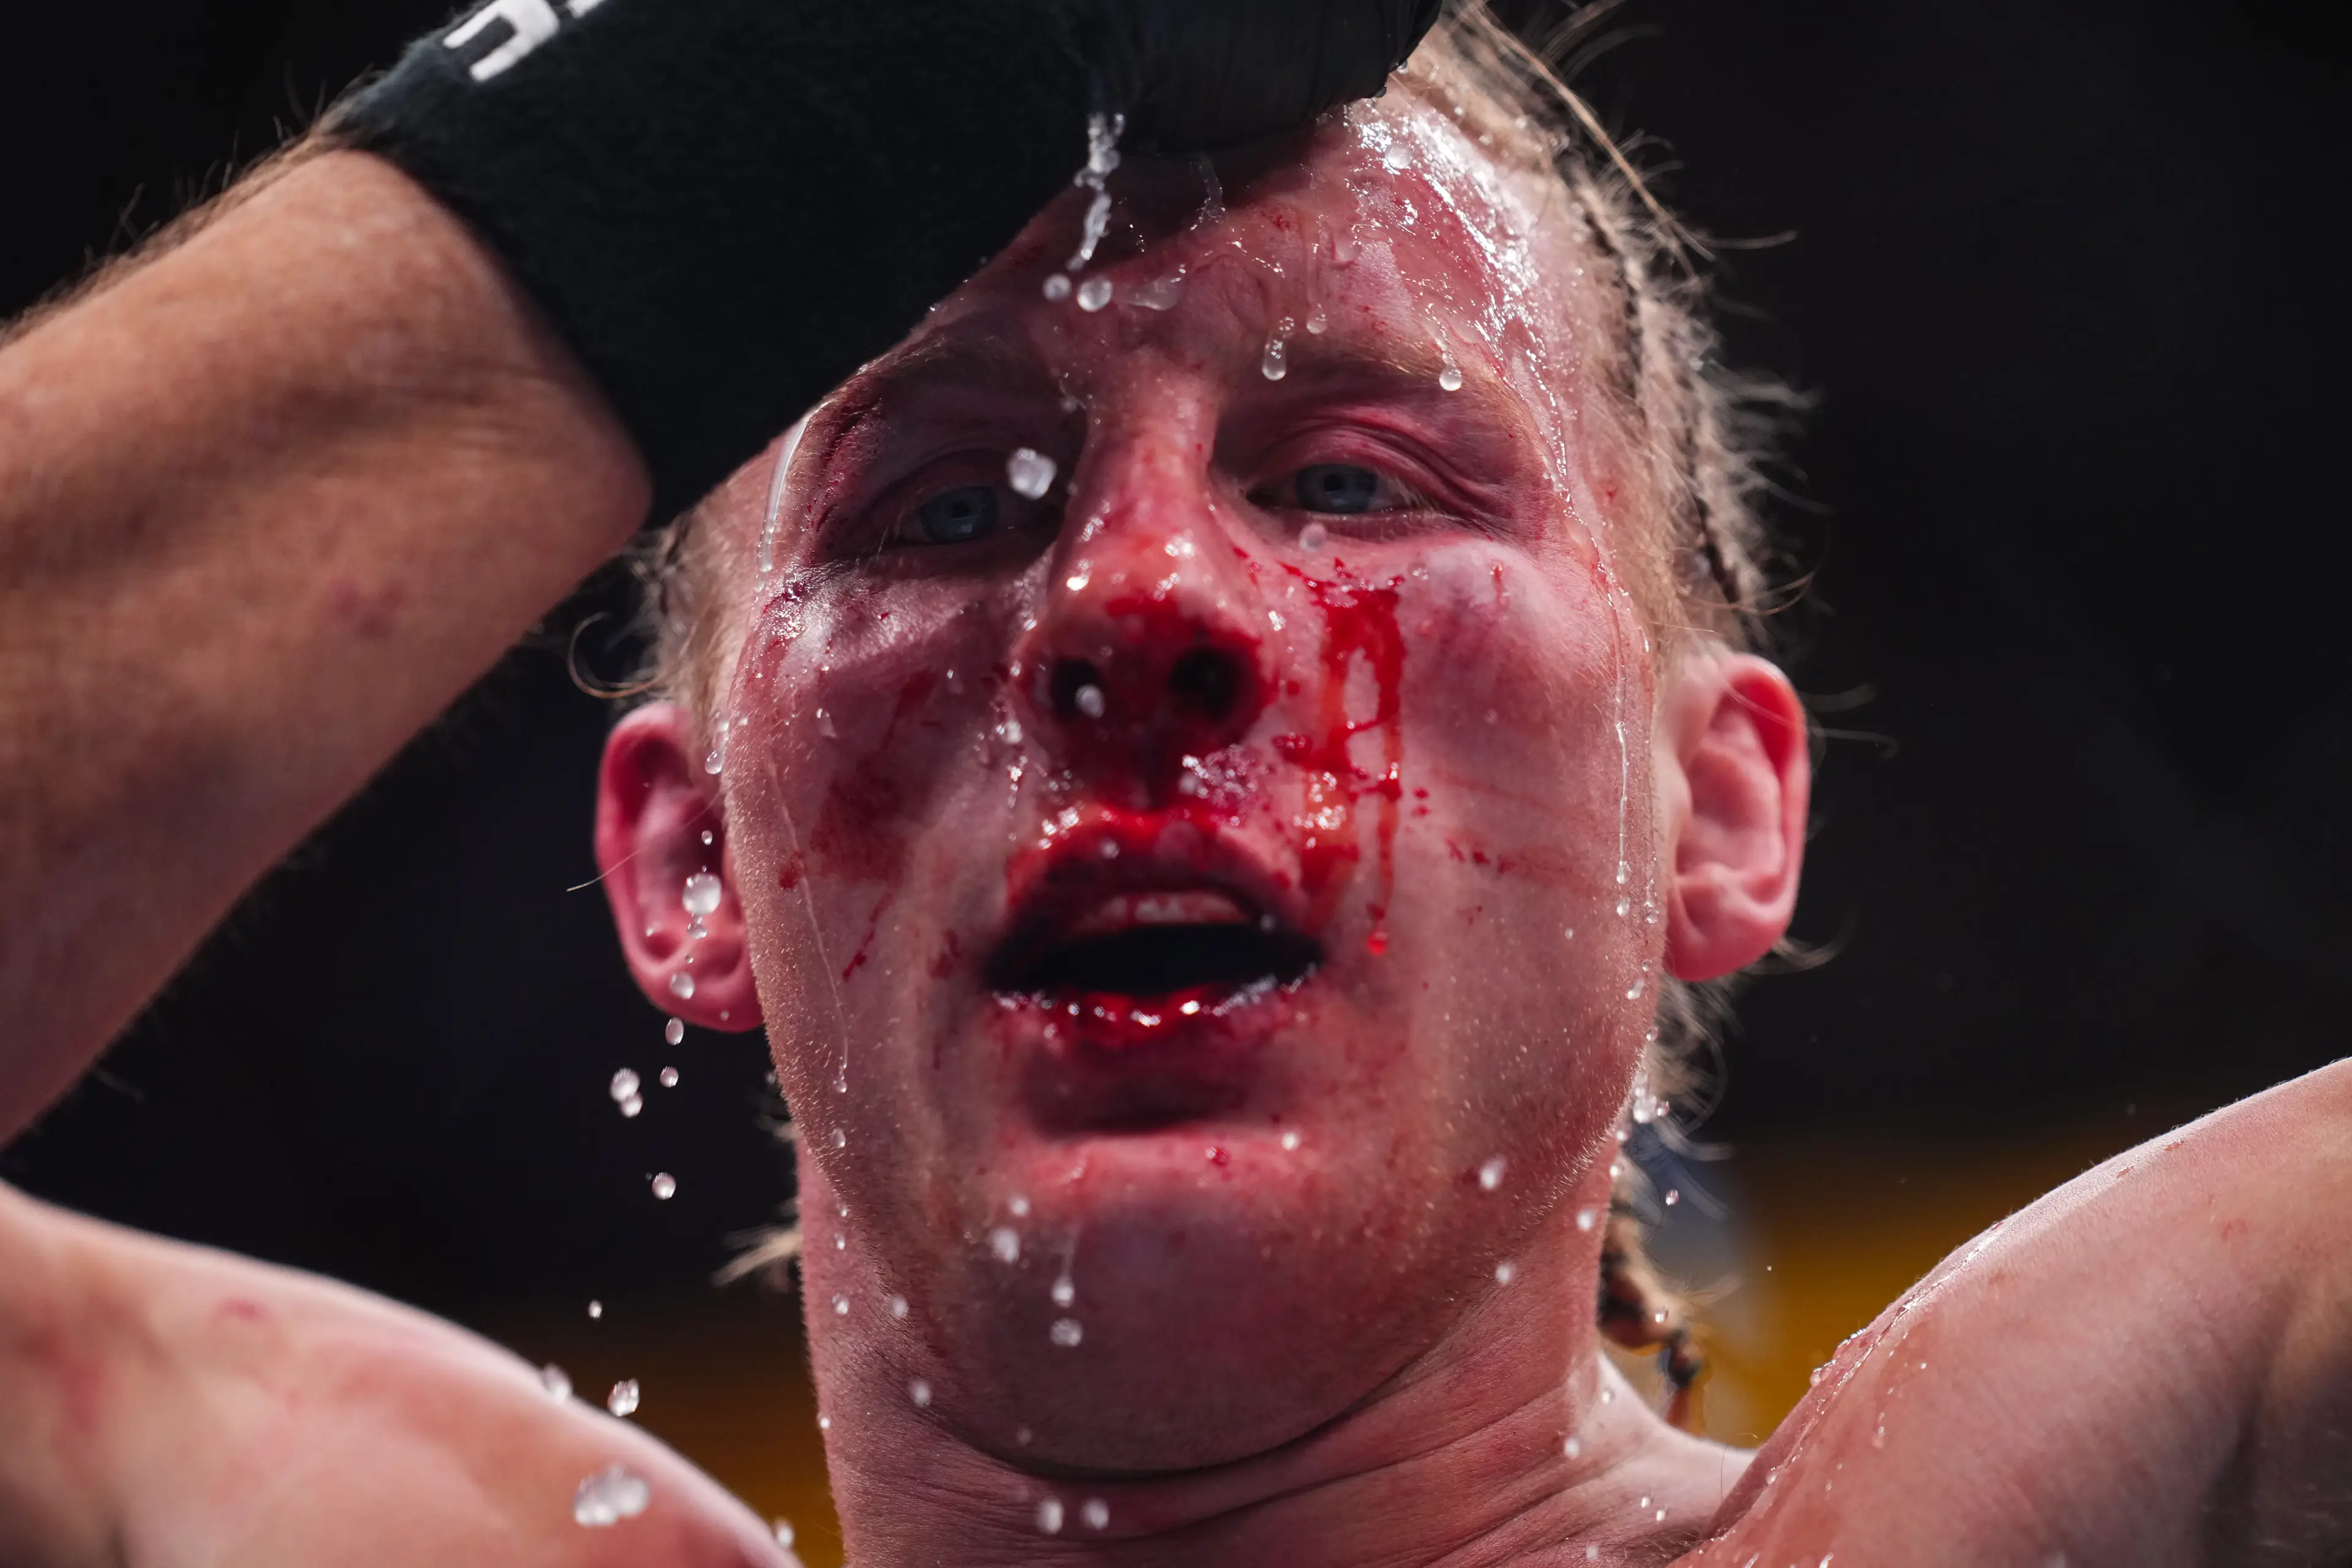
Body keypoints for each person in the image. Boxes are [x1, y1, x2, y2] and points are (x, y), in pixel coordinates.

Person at [0, 5, 2343, 1568]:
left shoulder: (2140, 1441)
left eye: (1355, 482)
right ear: (692, 857)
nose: (1147, 603)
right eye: (943, 506)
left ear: (1714, 809)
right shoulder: (267, 1504)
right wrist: (763, 95)